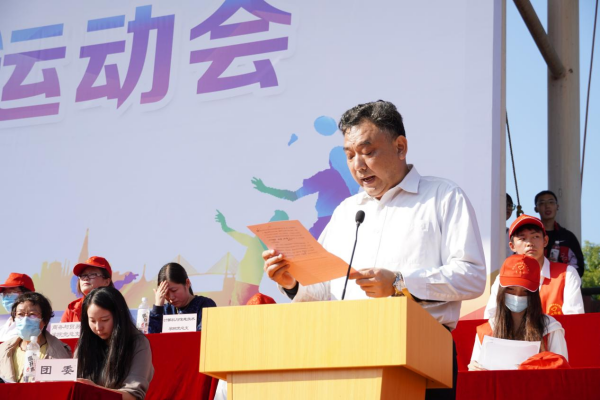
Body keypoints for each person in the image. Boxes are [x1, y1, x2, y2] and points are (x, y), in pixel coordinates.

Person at [263, 100, 486, 399]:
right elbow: (328, 291)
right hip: (346, 353)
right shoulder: (346, 212)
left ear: (400, 147)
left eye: (367, 152)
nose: (358, 165)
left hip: (421, 352)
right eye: (350, 155)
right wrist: (292, 282)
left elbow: (471, 276)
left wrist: (400, 283)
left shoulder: (443, 197)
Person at [469, 254, 568, 371]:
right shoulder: (487, 331)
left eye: (525, 291)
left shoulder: (550, 329)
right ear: (501, 291)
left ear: (534, 294)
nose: (517, 296)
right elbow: (476, 372)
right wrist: (474, 369)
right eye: (510, 289)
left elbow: (562, 373)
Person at [484, 214, 584, 318]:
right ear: (512, 246)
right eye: (522, 238)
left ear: (545, 241)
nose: (529, 243)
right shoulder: (503, 279)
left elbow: (575, 320)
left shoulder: (567, 274)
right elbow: (491, 318)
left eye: (535, 237)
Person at [76, 286, 154, 400]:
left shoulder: (137, 343)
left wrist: (94, 391)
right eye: (92, 320)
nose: (98, 327)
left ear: (118, 316)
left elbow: (133, 396)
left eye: (105, 320)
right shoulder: (85, 343)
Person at [0, 292, 72, 382]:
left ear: (45, 320)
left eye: (32, 314)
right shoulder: (3, 349)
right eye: (20, 314)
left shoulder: (61, 351)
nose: (25, 320)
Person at [148, 263, 216, 333]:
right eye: (166, 293)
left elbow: (204, 335)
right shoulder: (165, 310)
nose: (171, 297)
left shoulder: (205, 305)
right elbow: (151, 337)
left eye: (174, 290)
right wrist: (158, 307)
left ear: (187, 283)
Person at [535, 190, 585, 277]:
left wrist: (558, 268)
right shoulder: (531, 236)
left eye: (551, 202)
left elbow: (579, 267)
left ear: (557, 206)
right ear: (536, 209)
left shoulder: (568, 237)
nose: (547, 206)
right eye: (542, 203)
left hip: (562, 283)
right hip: (536, 283)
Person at [61, 256, 114, 322]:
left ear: (106, 282)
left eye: (92, 274)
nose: (86, 278)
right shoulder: (72, 309)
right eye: (83, 275)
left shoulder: (115, 306)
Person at [0, 273, 35, 341]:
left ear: (27, 295)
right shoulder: (3, 328)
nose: (6, 298)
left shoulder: (32, 325)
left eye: (11, 293)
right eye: (4, 294)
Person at [505, 193, 516, 259]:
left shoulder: (513, 234)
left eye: (510, 205)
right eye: (505, 204)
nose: (508, 208)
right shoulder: (486, 233)